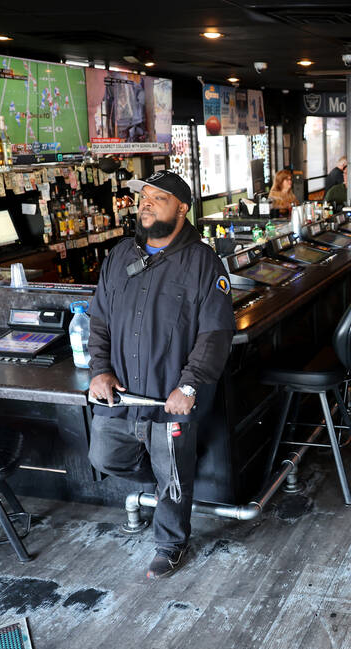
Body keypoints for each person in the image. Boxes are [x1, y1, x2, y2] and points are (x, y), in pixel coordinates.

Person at [87, 171, 234, 579]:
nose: (146, 204)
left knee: (173, 477)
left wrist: (189, 384)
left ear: (182, 209)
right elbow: (98, 320)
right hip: (121, 398)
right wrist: (100, 369)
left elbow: (216, 332)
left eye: (158, 198)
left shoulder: (203, 263)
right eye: (144, 197)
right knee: (104, 456)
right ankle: (166, 481)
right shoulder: (119, 256)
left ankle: (171, 543)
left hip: (169, 398)